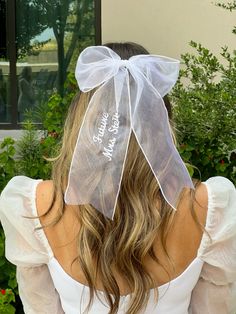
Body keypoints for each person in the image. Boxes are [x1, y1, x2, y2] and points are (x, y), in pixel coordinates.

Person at [0, 42, 235, 314]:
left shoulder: (41, 205)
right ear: (160, 121)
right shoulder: (205, 208)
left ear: (83, 120)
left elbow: (41, 309)